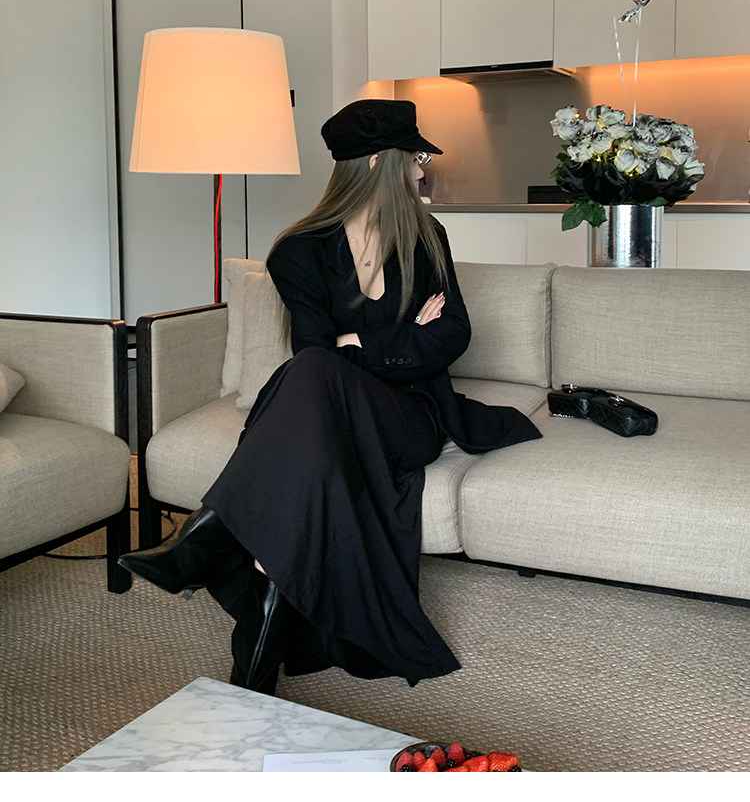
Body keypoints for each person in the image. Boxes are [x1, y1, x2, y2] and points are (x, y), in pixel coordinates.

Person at [119, 98, 542, 694]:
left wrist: (360, 340)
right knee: (312, 401)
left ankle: (204, 541)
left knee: (314, 374)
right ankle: (253, 673)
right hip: (330, 414)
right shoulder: (300, 251)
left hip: (410, 415)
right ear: (378, 163)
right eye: (414, 157)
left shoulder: (427, 236)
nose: (421, 170)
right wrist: (401, 337)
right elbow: (317, 348)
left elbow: (453, 335)